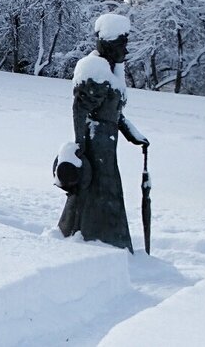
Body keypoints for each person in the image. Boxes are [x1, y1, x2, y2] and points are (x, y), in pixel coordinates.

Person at [58, 13, 149, 252]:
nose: (125, 52)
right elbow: (80, 110)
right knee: (97, 191)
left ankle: (109, 240)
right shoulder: (95, 69)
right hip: (95, 145)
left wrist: (133, 134)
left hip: (106, 145)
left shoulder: (112, 72)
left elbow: (115, 115)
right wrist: (80, 147)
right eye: (122, 46)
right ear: (108, 43)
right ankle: (92, 239)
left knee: (107, 192)